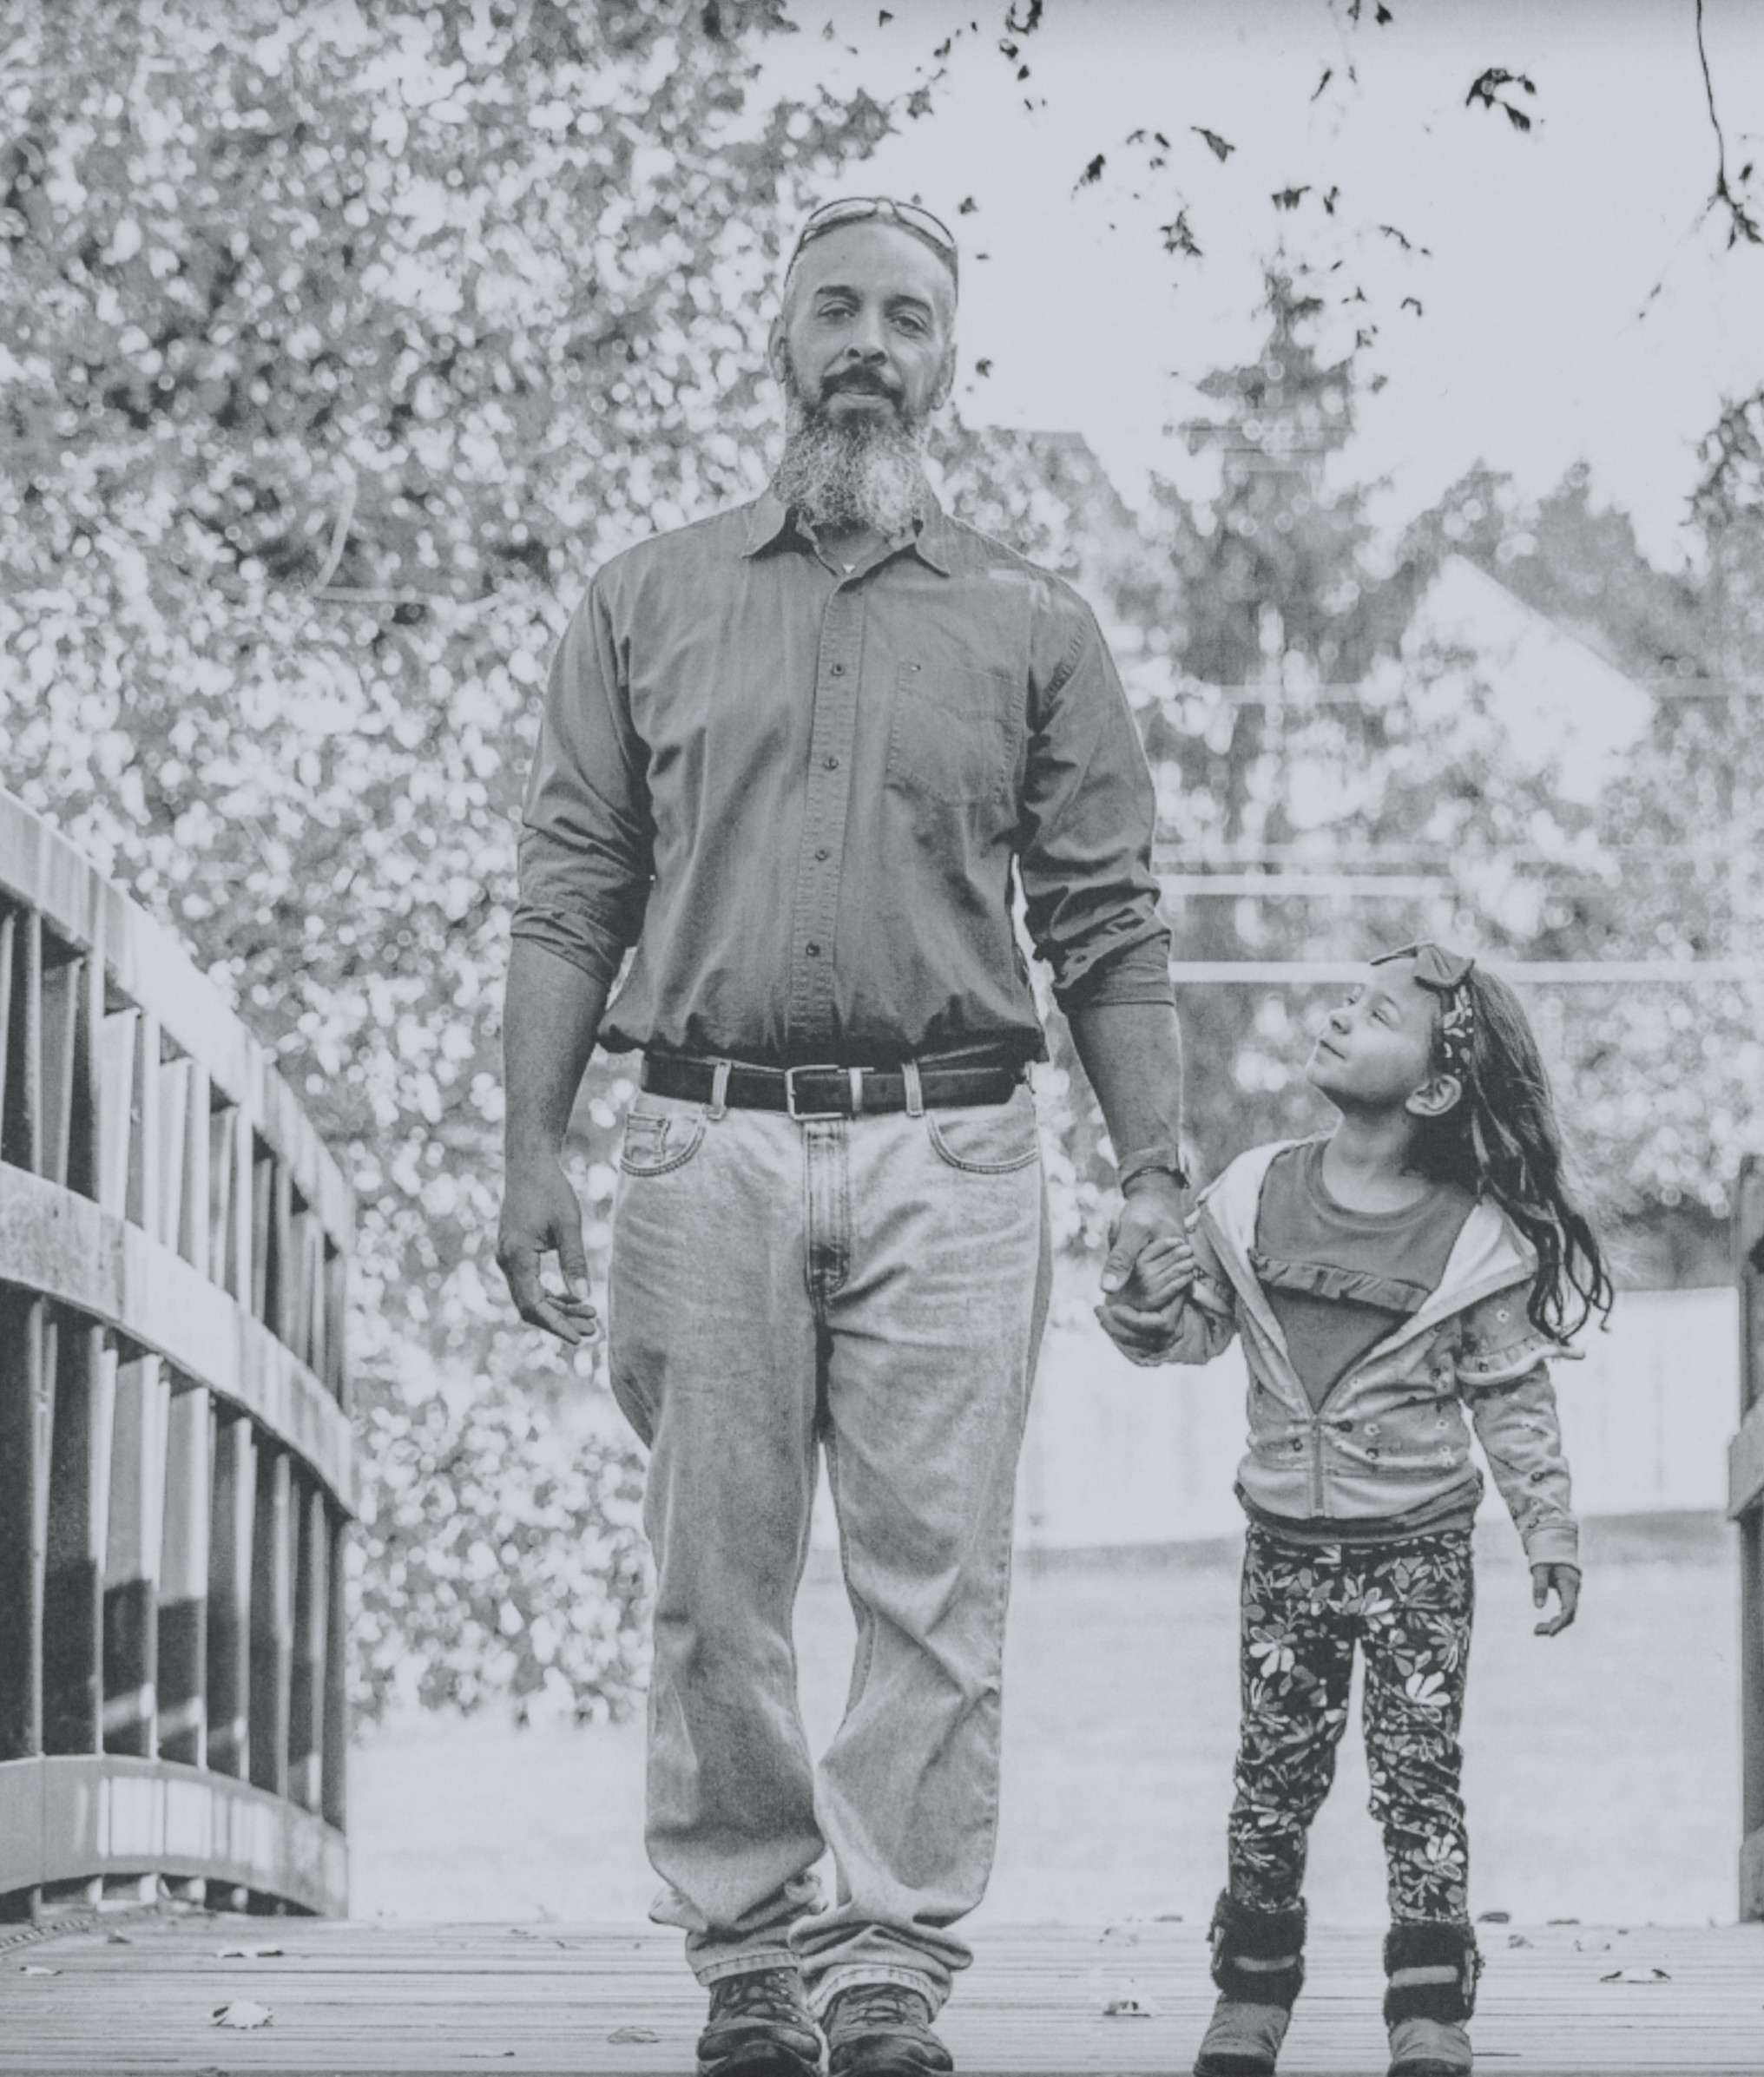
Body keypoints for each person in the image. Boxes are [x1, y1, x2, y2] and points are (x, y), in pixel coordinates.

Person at [496, 194, 1189, 2077]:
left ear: (951, 359)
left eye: (903, 314)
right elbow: (572, 888)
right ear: (777, 341)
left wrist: (1155, 1168)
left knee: (933, 1583)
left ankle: (891, 1963)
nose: (867, 340)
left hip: (955, 1154)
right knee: (710, 1581)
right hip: (698, 1146)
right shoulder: (642, 601)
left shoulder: (1038, 625)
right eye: (834, 311)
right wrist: (527, 1149)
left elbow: (1109, 919)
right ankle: (746, 1955)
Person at [1096, 943, 1610, 2077]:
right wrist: (1138, 1307)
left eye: (1374, 1013)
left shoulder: (1474, 1243)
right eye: (1346, 997)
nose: (1337, 1014)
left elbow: (1511, 1403)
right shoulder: (1250, 1193)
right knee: (1270, 1781)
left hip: (1418, 1553)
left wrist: (1549, 1534)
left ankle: (1427, 2010)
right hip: (1283, 1551)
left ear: (1429, 1088)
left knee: (1415, 1777)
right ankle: (1249, 1999)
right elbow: (1190, 1330)